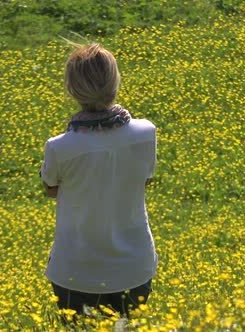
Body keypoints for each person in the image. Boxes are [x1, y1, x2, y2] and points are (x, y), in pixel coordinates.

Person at [40, 43, 158, 319]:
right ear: (115, 81)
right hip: (134, 265)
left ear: (72, 89)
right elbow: (144, 180)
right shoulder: (145, 133)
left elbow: (51, 189)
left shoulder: (60, 147)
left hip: (76, 271)